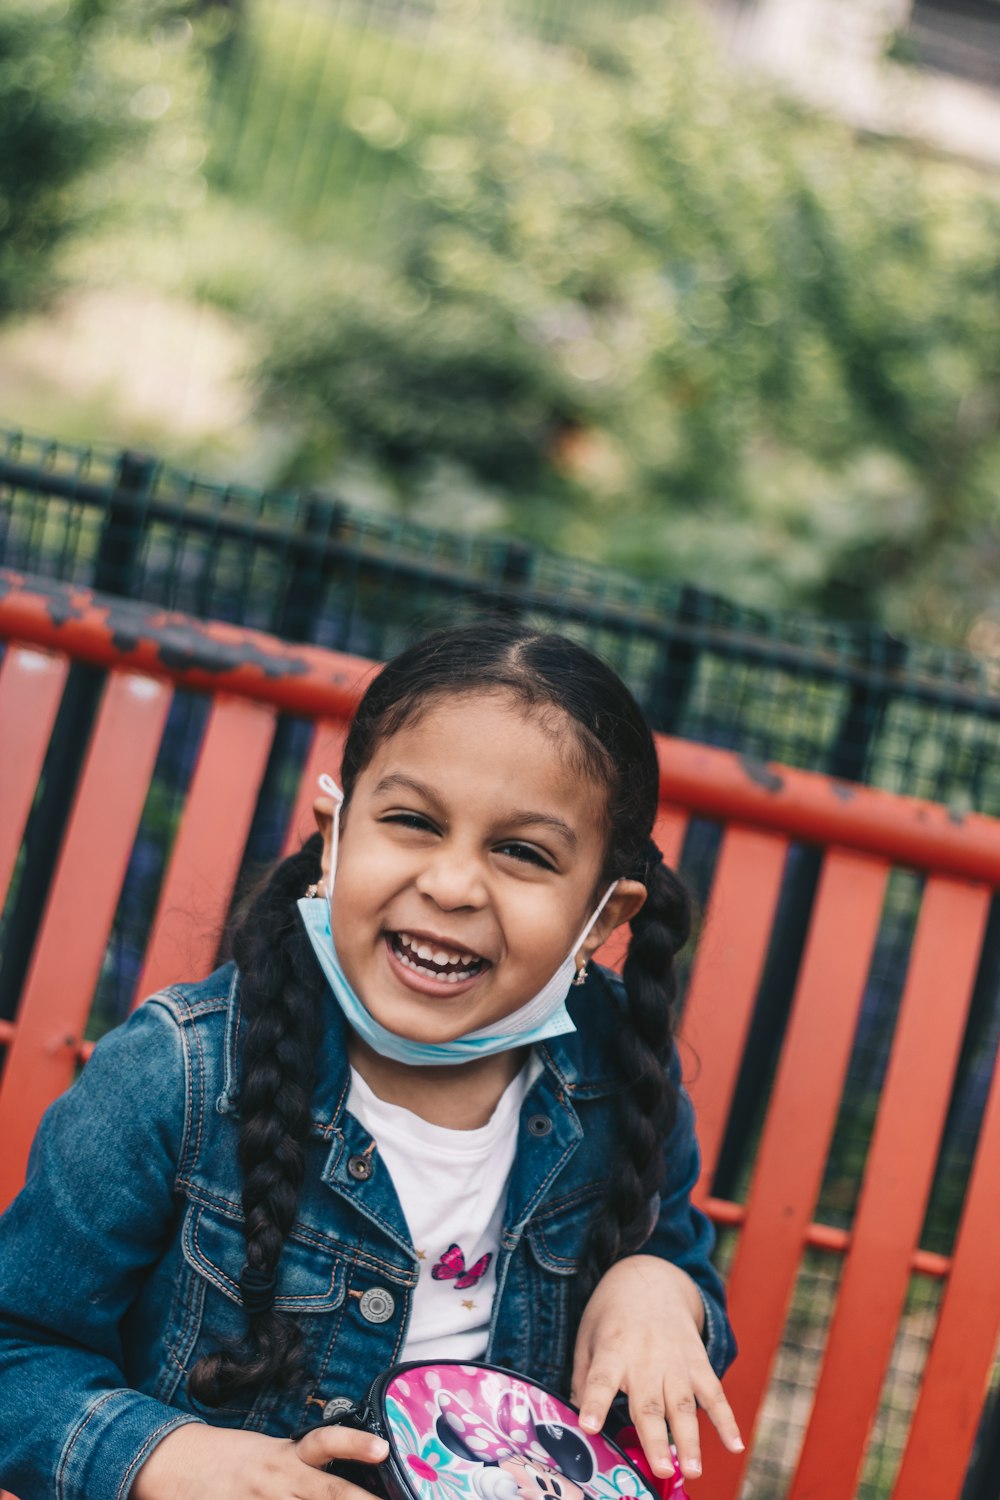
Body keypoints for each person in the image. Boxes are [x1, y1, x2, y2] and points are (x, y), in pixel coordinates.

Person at [0, 621, 742, 1500]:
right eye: (413, 822)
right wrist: (173, 1459)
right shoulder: (178, 1076)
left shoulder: (620, 1081)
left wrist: (660, 1287)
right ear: (333, 834)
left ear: (604, 922)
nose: (453, 884)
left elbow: (677, 1254)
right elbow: (17, 1350)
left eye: (523, 853)